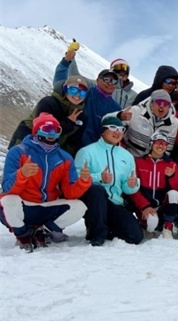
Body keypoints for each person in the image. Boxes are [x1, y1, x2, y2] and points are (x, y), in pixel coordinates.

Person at [1, 113, 91, 252]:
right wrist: (22, 174)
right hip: (24, 205)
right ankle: (23, 235)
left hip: (46, 206)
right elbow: (7, 187)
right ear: (37, 131)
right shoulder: (18, 152)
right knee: (8, 200)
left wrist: (83, 182)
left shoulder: (65, 157)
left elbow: (69, 193)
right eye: (47, 129)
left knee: (79, 207)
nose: (52, 133)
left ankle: (42, 231)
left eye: (56, 130)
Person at [75, 115, 143, 246]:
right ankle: (96, 233)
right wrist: (99, 177)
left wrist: (132, 185)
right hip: (93, 203)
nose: (117, 132)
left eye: (121, 129)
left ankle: (106, 228)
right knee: (96, 190)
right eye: (112, 128)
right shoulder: (87, 152)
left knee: (135, 236)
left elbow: (127, 188)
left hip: (115, 203)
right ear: (103, 131)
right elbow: (76, 178)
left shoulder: (127, 156)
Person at [11, 75, 88, 156]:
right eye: (73, 90)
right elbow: (42, 132)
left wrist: (62, 159)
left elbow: (72, 143)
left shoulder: (82, 116)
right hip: (25, 145)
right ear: (65, 90)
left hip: (50, 153)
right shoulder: (49, 103)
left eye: (82, 92)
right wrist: (68, 123)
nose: (77, 95)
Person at [130, 132, 178, 239]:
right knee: (151, 225)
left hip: (162, 205)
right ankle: (147, 226)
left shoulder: (171, 164)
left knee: (174, 194)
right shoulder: (139, 162)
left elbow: (175, 189)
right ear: (151, 144)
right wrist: (145, 206)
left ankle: (167, 227)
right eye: (158, 142)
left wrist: (170, 177)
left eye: (164, 143)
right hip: (146, 205)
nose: (161, 146)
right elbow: (134, 189)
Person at [123, 89, 178, 158]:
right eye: (158, 102)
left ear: (169, 107)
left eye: (165, 103)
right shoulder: (136, 111)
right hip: (128, 156)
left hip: (150, 164)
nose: (161, 106)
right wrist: (120, 116)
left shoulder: (173, 123)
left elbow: (167, 150)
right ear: (151, 103)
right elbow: (109, 120)